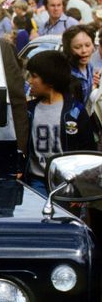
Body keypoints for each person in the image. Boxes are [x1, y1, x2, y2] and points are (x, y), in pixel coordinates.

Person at [24, 50, 95, 195]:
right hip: (36, 182)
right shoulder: (28, 111)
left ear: (49, 80)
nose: (30, 81)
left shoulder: (75, 112)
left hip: (67, 182)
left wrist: (81, 187)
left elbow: (88, 151)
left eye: (34, 76)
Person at [61, 24, 99, 105]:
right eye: (77, 47)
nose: (84, 50)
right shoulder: (65, 75)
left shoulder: (89, 67)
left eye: (88, 45)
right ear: (68, 49)